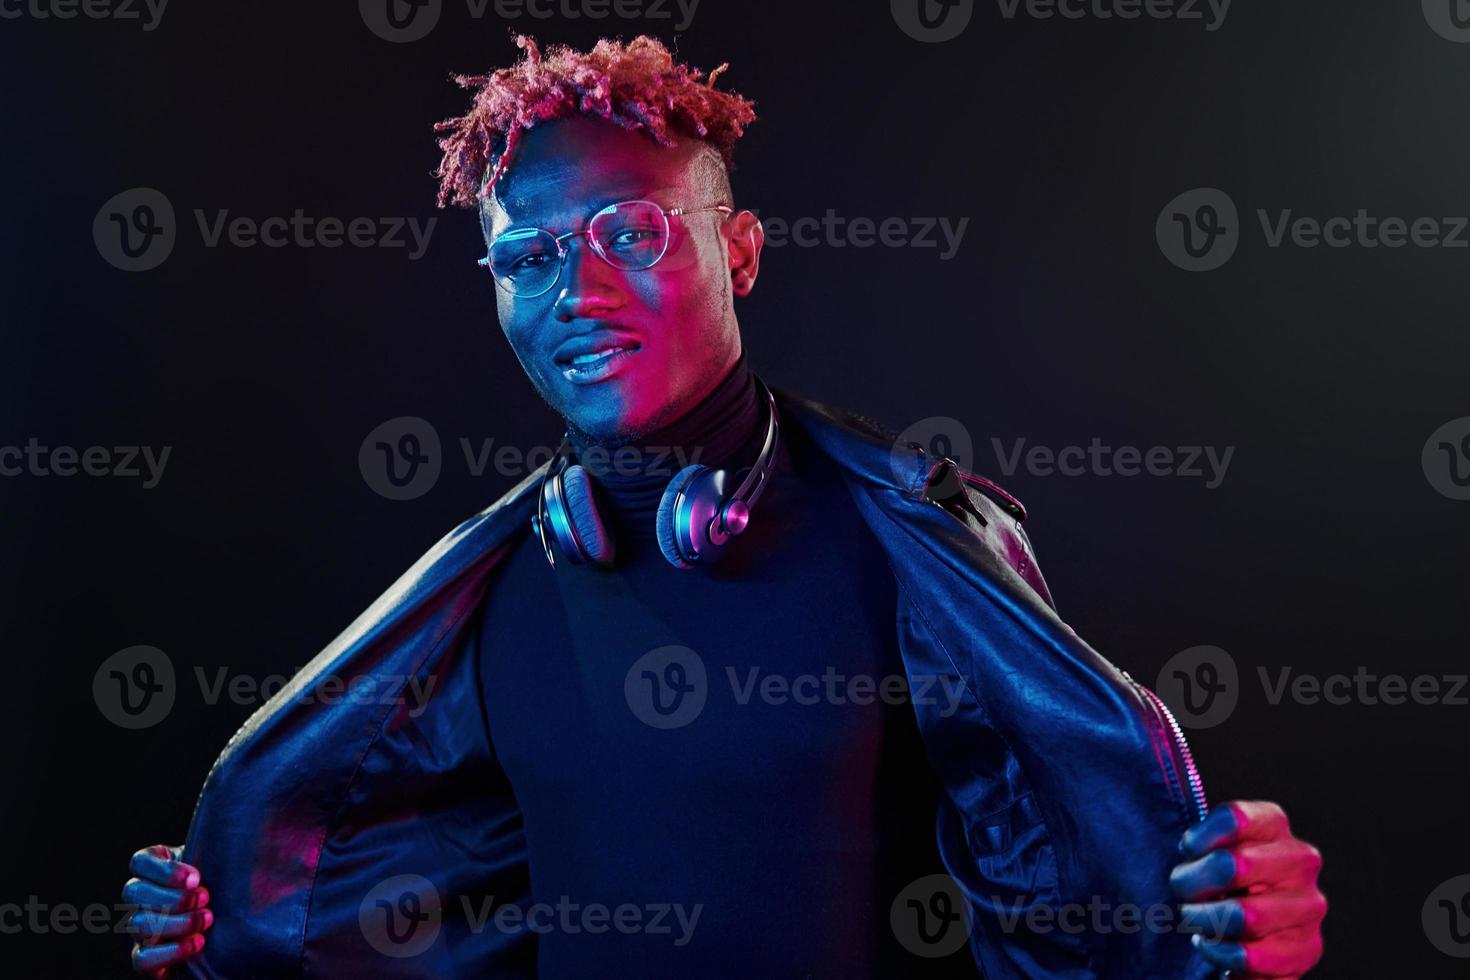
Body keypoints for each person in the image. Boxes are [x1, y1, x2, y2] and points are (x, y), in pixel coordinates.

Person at [123, 35, 1326, 978]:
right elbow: (381, 904)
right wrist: (231, 916)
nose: (577, 291)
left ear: (738, 250)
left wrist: (1218, 915)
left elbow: (1084, 867)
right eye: (528, 257)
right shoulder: (470, 596)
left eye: (629, 230)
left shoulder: (915, 545)